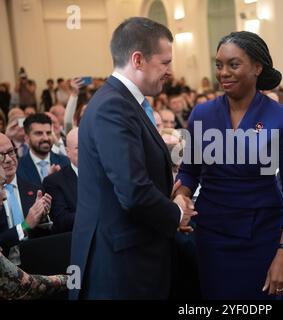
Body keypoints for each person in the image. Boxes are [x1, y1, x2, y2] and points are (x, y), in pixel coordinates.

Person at [70, 17, 196, 300]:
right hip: (121, 266)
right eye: (165, 62)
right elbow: (134, 190)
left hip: (134, 255)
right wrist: (175, 212)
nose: (170, 71)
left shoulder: (124, 102)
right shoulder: (114, 106)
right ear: (138, 60)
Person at [176, 31, 283, 299]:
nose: (224, 72)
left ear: (257, 67)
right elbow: (189, 173)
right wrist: (181, 197)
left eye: (233, 64)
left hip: (264, 236)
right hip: (212, 236)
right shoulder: (202, 114)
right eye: (219, 65)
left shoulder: (281, 117)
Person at [0, 165, 67, 300]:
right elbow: (27, 285)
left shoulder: (33, 188)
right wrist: (70, 279)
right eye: (0, 186)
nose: (4, 195)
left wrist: (40, 218)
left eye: (11, 151)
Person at [0, 133, 53, 264]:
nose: (8, 159)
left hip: (35, 267)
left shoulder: (35, 190)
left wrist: (43, 217)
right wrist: (25, 225)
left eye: (11, 152)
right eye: (1, 155)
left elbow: (46, 238)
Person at [16, 113, 70, 186]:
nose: (45, 138)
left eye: (48, 133)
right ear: (27, 138)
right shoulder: (18, 168)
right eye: (39, 133)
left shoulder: (65, 162)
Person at [43, 128, 78, 233]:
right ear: (68, 152)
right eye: (79, 147)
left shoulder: (105, 173)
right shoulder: (55, 181)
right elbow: (62, 221)